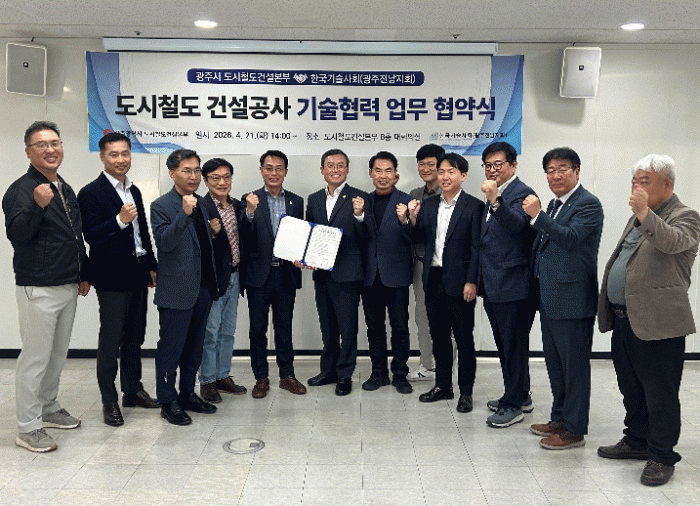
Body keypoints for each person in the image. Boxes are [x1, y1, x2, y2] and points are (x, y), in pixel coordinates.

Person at [597, 154, 700, 486]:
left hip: (659, 324)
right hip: (625, 319)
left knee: (660, 393)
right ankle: (637, 440)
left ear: (667, 185)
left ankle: (661, 456)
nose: (636, 188)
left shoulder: (686, 216)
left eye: (644, 182)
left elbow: (670, 242)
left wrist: (643, 213)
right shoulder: (638, 217)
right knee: (631, 388)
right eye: (634, 181)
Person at [3, 121, 90, 452]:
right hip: (38, 286)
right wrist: (37, 206)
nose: (50, 150)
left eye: (55, 143)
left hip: (67, 282)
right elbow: (18, 236)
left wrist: (83, 272)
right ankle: (28, 427)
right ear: (28, 152)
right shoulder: (22, 190)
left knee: (56, 353)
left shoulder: (63, 187)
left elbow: (74, 235)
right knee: (35, 358)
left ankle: (49, 407)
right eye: (42, 145)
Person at [523, 147, 603, 449]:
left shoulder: (588, 204)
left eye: (562, 169)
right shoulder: (555, 204)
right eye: (550, 171)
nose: (555, 176)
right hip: (550, 298)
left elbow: (569, 238)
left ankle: (574, 430)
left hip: (572, 299)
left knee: (574, 368)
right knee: (556, 364)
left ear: (577, 171)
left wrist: (537, 216)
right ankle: (559, 418)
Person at [77, 132, 159, 427]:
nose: (121, 159)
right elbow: (90, 235)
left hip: (137, 271)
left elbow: (142, 230)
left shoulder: (133, 189)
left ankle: (132, 390)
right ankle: (109, 399)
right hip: (111, 276)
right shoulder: (90, 193)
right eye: (114, 154)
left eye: (125, 153)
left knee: (135, 336)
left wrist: (151, 264)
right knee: (111, 340)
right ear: (102, 157)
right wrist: (119, 220)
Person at [407, 152, 484, 413]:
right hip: (433, 278)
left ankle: (466, 392)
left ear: (463, 175)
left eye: (451, 171)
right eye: (441, 172)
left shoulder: (474, 206)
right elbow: (418, 237)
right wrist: (412, 218)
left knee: (463, 340)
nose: (445, 176)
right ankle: (443, 386)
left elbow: (477, 248)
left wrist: (472, 281)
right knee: (439, 337)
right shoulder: (428, 205)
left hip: (461, 282)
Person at [150, 149, 219, 425]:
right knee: (171, 349)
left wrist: (212, 233)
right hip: (176, 291)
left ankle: (188, 393)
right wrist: (184, 214)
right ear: (172, 173)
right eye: (186, 170)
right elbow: (164, 243)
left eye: (197, 171)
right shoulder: (161, 205)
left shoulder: (202, 203)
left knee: (194, 348)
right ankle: (168, 401)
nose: (193, 176)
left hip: (202, 289)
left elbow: (199, 246)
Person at [478, 141, 538, 428]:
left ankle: (513, 405)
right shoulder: (497, 193)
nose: (492, 170)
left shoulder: (523, 193)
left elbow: (517, 226)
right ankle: (520, 395)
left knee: (513, 346)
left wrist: (495, 200)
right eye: (488, 165)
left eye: (498, 164)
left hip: (514, 284)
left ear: (513, 165)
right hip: (494, 282)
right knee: (507, 345)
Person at [240, 150, 306, 399]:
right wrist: (249, 211)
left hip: (286, 274)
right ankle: (261, 378)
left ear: (286, 172)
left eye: (279, 168)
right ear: (261, 171)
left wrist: (303, 255)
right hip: (259, 275)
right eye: (269, 168)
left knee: (284, 328)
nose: (274, 173)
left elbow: (301, 236)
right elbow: (243, 236)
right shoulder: (250, 199)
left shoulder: (296, 201)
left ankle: (287, 375)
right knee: (257, 330)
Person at [306, 149, 368, 396]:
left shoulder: (359, 198)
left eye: (340, 165)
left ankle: (345, 375)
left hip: (348, 273)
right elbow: (310, 234)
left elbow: (367, 237)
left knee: (347, 328)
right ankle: (328, 370)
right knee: (328, 327)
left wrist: (360, 216)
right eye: (330, 165)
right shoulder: (313, 199)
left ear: (347, 169)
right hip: (322, 273)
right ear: (322, 170)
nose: (335, 170)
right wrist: (306, 257)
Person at [361, 151, 413, 394]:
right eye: (378, 170)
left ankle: (400, 375)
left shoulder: (408, 201)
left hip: (397, 274)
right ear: (370, 173)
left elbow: (415, 238)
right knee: (374, 327)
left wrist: (405, 221)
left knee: (400, 326)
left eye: (388, 170)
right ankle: (378, 373)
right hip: (370, 275)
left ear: (396, 175)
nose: (383, 175)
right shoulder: (362, 202)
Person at [198, 158, 246, 404]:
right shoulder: (200, 207)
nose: (221, 182)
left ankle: (222, 376)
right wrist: (212, 233)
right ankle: (207, 381)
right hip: (213, 279)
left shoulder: (238, 206)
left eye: (226, 177)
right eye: (215, 178)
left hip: (236, 276)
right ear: (206, 181)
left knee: (227, 331)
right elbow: (195, 246)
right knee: (210, 332)